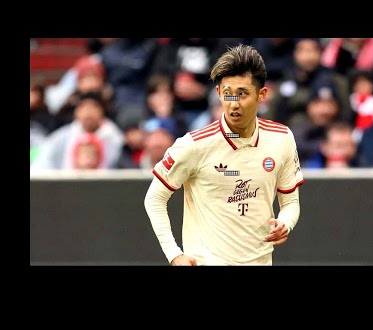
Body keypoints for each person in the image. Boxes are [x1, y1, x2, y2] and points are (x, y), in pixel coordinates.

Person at [143, 44, 303, 266]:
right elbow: (154, 198)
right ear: (218, 93)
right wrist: (174, 254)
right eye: (228, 94)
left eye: (242, 94)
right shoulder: (194, 144)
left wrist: (285, 223)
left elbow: (291, 202)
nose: (233, 104)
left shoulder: (281, 138)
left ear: (262, 95)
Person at [31, 92, 124, 170]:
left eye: (94, 107)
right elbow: (43, 160)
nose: (88, 112)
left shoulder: (115, 138)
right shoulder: (63, 136)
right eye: (83, 107)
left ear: (102, 112)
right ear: (76, 112)